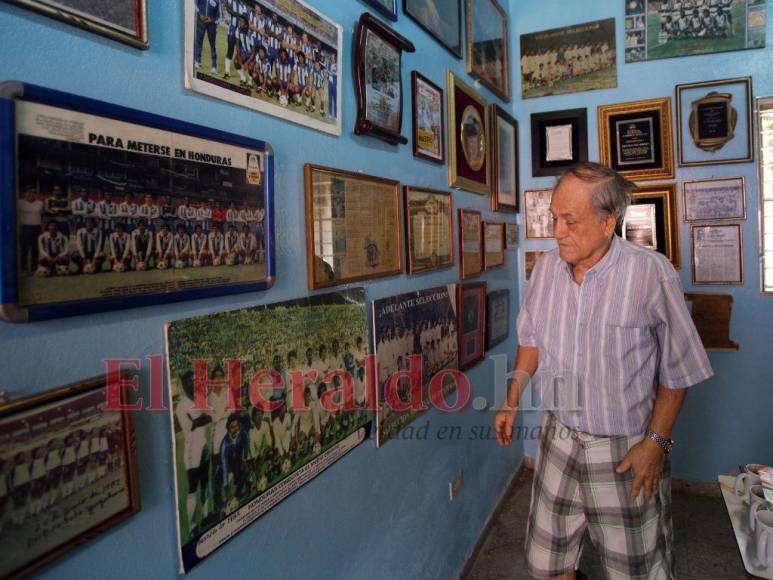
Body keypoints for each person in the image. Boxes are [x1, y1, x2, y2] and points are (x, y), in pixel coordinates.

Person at [494, 162, 713, 580]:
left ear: (607, 221)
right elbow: (532, 338)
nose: (556, 230)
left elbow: (679, 368)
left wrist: (655, 443)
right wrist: (511, 398)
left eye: (569, 221)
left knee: (634, 568)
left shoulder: (650, 274)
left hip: (625, 447)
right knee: (546, 560)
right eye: (553, 218)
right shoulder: (545, 270)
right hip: (557, 438)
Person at [17, 185, 43, 273]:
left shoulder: (40, 203)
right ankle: (23, 268)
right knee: (24, 250)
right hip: (25, 228)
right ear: (25, 193)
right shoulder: (19, 203)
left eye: (33, 192)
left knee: (35, 250)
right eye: (29, 192)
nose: (31, 194)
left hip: (37, 228)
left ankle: (33, 268)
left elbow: (41, 216)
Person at [194, 0, 221, 74]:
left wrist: (211, 19)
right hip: (201, 22)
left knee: (212, 45)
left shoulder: (217, 1)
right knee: (198, 41)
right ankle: (197, 61)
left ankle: (214, 66)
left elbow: (219, 17)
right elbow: (195, 4)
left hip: (211, 25)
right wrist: (200, 14)